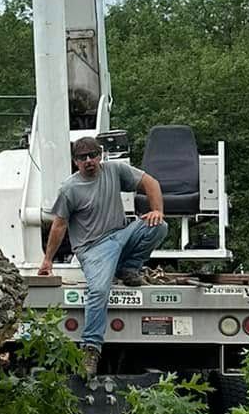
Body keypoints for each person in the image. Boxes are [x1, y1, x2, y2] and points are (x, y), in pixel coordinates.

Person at [38, 138, 166, 370]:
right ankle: (91, 348)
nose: (89, 161)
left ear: (101, 155)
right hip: (93, 249)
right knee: (98, 290)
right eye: (83, 157)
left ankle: (129, 268)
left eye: (93, 155)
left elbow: (151, 182)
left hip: (121, 234)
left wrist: (157, 210)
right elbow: (59, 226)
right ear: (75, 162)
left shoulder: (115, 170)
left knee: (158, 225)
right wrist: (48, 260)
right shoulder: (69, 189)